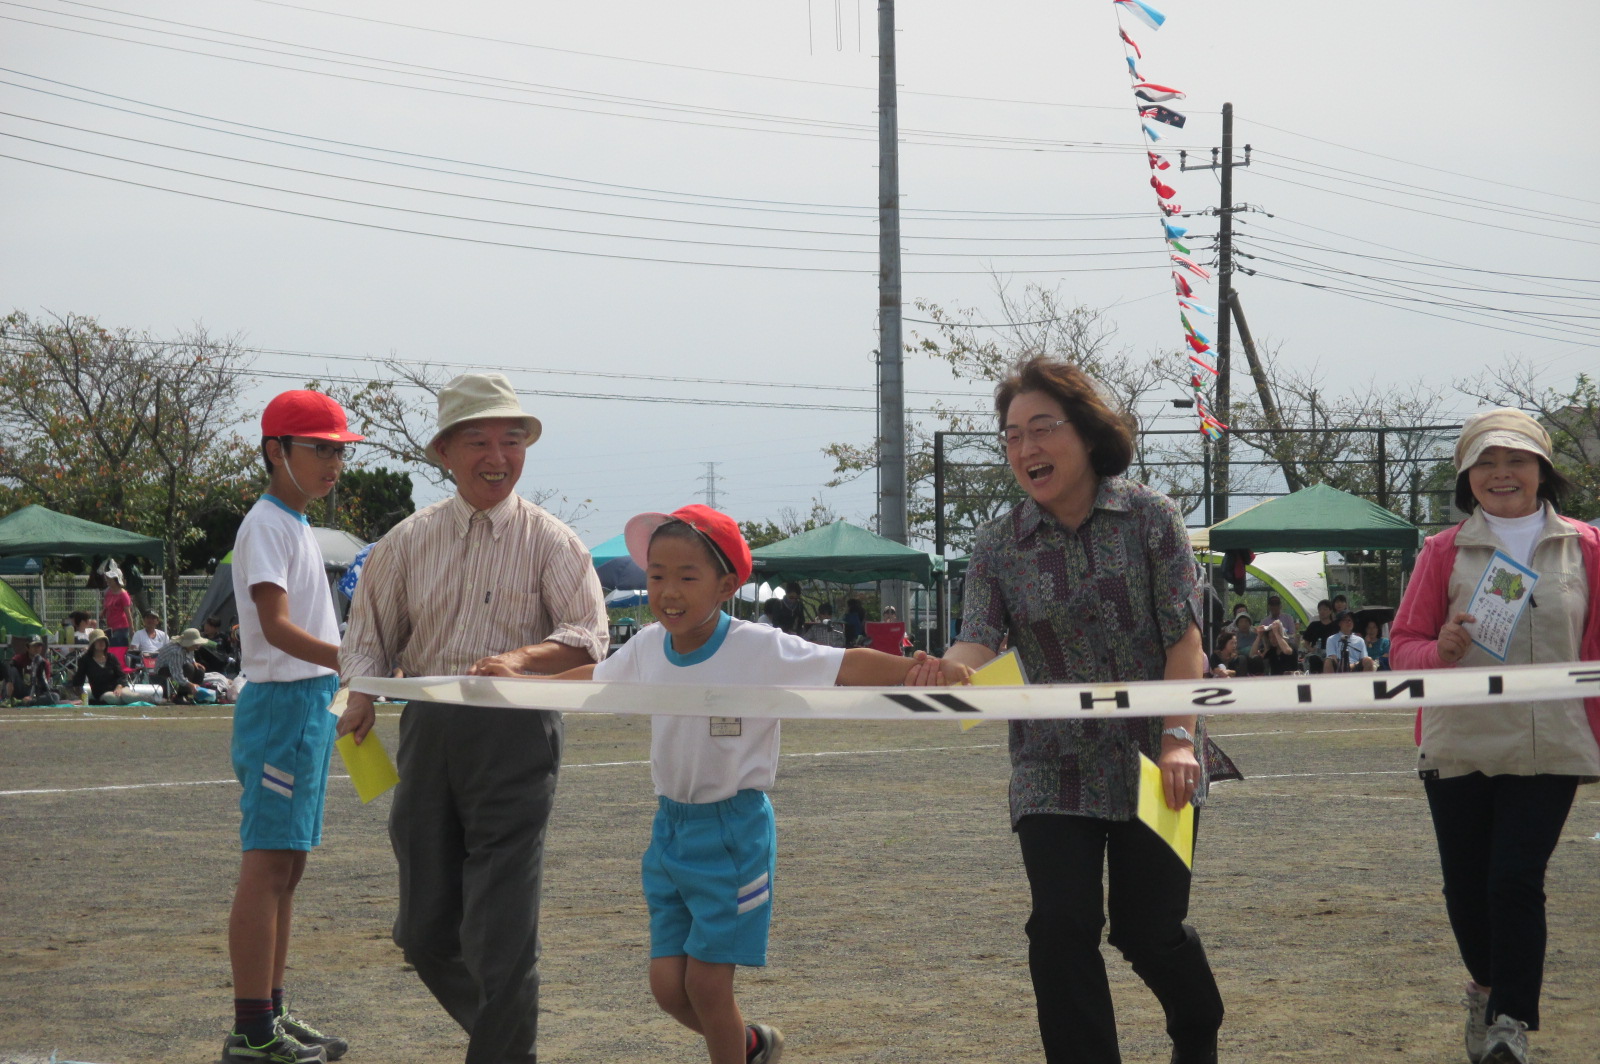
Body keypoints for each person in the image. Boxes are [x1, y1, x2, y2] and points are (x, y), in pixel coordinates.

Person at [542, 504, 970, 1064]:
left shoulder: (758, 646)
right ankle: (748, 1047)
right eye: (657, 575)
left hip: (733, 834)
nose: (668, 591)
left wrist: (922, 667)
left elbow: (845, 664)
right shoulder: (647, 646)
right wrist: (521, 686)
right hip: (670, 832)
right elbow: (595, 680)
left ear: (726, 585)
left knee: (708, 987)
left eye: (687, 577)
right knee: (668, 988)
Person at [939, 355, 1230, 1064]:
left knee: (1148, 929)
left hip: (1155, 755)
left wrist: (1178, 740)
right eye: (1012, 436)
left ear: (1087, 433)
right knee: (1060, 925)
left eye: (1043, 428)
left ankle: (1198, 1029)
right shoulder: (997, 543)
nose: (1027, 447)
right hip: (1049, 764)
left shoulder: (1152, 519)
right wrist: (947, 671)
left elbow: (1182, 639)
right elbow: (977, 641)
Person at [337, 372, 608, 1064]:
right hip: (427, 729)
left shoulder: (553, 540)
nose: (498, 456)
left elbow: (588, 635)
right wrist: (361, 692)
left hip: (519, 734)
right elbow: (369, 631)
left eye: (511, 441)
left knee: (503, 927)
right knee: (423, 930)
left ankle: (503, 1054)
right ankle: (504, 1038)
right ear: (445, 454)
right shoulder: (405, 540)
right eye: (479, 441)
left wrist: (522, 660)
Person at [1390, 408, 1600, 1064]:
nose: (1502, 473)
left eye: (1517, 460)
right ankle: (1483, 992)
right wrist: (1441, 649)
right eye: (1486, 462)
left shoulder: (1589, 548)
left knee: (1515, 878)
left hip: (1552, 744)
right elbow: (1403, 649)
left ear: (1543, 471)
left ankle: (1510, 1022)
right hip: (1458, 743)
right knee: (1466, 886)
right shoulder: (1441, 550)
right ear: (1466, 477)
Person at [222, 388, 364, 1064]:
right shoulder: (267, 524)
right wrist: (353, 660)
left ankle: (271, 1012)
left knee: (290, 865)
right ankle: (251, 1029)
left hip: (307, 702)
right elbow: (276, 626)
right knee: (268, 864)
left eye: (339, 451)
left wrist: (343, 688)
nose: (333, 463)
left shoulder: (297, 521)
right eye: (320, 449)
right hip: (280, 705)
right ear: (276, 450)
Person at [68, 629, 137, 705]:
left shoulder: (111, 657)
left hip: (120, 688)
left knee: (128, 695)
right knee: (112, 698)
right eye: (98, 640)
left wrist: (119, 686)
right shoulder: (85, 660)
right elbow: (78, 680)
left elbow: (121, 676)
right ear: (92, 644)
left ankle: (150, 700)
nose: (101, 643)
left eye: (103, 640)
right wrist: (79, 693)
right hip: (102, 693)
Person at [156, 628, 212, 704]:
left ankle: (194, 695)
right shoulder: (177, 651)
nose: (197, 646)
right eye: (196, 644)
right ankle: (180, 696)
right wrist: (191, 685)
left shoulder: (189, 647)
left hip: (178, 666)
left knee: (199, 670)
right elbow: (177, 674)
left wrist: (194, 662)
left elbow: (191, 657)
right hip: (162, 669)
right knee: (189, 668)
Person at [1259, 594, 1299, 674]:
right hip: (1271, 647)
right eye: (1272, 604)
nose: (1274, 607)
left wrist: (1278, 635)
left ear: (1280, 606)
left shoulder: (1288, 618)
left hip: (1287, 644)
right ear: (1269, 607)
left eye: (1276, 604)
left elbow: (1292, 635)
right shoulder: (1264, 621)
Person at [1301, 599, 1337, 674]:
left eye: (1325, 609)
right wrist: (1312, 649)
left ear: (1330, 611)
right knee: (1314, 659)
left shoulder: (1335, 626)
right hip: (1316, 653)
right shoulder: (1313, 625)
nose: (1322, 612)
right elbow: (1305, 643)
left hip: (1331, 654)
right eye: (1320, 609)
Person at [102, 567, 133, 648]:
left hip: (121, 627)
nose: (107, 580)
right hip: (110, 627)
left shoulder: (123, 594)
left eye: (110, 579)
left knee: (117, 649)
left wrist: (131, 629)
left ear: (116, 580)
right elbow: (106, 607)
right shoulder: (108, 593)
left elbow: (128, 613)